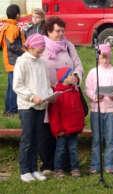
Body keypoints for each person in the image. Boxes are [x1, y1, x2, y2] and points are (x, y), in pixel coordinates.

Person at [40, 16, 84, 174]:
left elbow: (78, 65)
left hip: (67, 92)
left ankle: (66, 164)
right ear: (49, 31)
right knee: (48, 127)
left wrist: (76, 77)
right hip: (48, 92)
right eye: (58, 31)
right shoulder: (42, 46)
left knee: (67, 127)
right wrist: (48, 86)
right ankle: (48, 164)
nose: (61, 34)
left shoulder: (69, 46)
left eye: (63, 31)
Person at [13, 33, 53, 182]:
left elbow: (46, 83)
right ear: (31, 46)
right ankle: (25, 170)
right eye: (39, 48)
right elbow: (17, 85)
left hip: (41, 105)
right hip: (27, 105)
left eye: (43, 48)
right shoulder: (22, 61)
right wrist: (31, 96)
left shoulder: (42, 62)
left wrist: (50, 95)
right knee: (28, 138)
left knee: (37, 138)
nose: (41, 51)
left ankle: (34, 169)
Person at [85, 43, 113, 174]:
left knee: (110, 138)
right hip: (96, 109)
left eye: (107, 57)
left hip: (111, 110)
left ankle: (109, 165)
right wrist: (94, 97)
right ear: (98, 57)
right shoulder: (93, 72)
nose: (105, 60)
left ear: (111, 57)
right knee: (96, 138)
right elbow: (88, 89)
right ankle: (95, 165)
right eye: (103, 57)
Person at [48, 67, 85, 178]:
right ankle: (58, 169)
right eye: (71, 75)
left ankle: (74, 168)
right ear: (63, 78)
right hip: (62, 130)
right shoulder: (58, 93)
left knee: (73, 149)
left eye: (74, 75)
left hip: (73, 128)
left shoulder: (75, 91)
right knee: (60, 149)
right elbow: (54, 114)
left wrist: (80, 125)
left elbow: (79, 110)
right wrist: (58, 129)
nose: (74, 77)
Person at [0, 4, 25, 117]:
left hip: (9, 61)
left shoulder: (7, 26)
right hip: (13, 62)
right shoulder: (12, 28)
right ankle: (12, 109)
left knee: (11, 86)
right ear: (17, 15)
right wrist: (24, 51)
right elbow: (11, 45)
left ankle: (8, 109)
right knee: (14, 86)